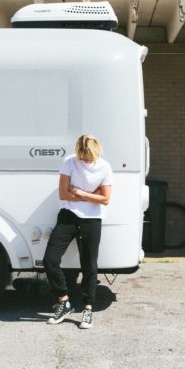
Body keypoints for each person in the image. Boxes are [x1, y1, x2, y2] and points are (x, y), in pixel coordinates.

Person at [44, 134, 113, 329]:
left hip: (92, 219)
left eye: (89, 156)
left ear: (96, 151)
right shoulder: (69, 162)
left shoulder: (105, 167)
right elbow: (63, 193)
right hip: (68, 216)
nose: (86, 160)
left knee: (89, 265)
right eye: (83, 156)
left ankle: (88, 309)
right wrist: (92, 195)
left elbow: (105, 199)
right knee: (50, 259)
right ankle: (64, 301)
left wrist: (79, 192)